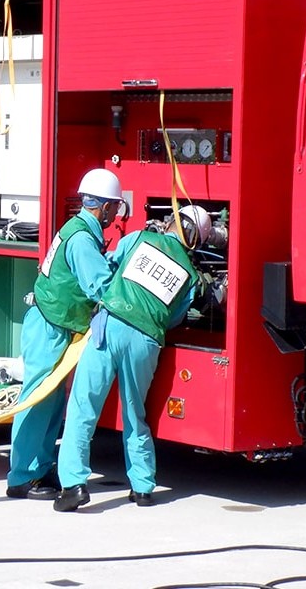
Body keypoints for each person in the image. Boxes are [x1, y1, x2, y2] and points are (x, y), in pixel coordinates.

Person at [53, 204, 211, 511]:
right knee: (134, 412)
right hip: (146, 341)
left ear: (171, 222)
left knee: (84, 406)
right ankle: (142, 487)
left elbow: (110, 266)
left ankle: (73, 485)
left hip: (110, 325)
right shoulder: (191, 277)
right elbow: (176, 317)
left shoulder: (138, 238)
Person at [6, 168, 124, 499]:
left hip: (51, 324)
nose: (117, 213)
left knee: (51, 402)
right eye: (114, 206)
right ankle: (21, 477)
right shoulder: (84, 239)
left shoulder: (77, 230)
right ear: (102, 207)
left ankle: (39, 472)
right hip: (49, 327)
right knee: (38, 399)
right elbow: (100, 286)